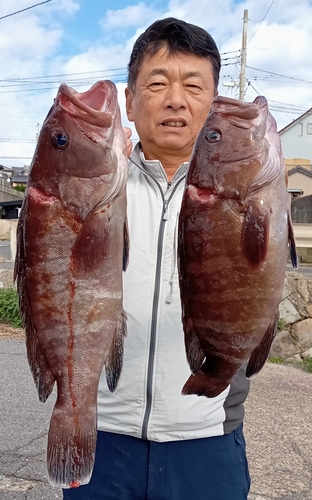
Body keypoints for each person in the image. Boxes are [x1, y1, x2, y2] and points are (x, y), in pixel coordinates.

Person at [63, 17, 251, 500]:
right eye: (157, 83)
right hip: (102, 435)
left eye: (193, 86)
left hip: (207, 443)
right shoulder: (91, 181)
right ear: (129, 100)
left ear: (213, 104)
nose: (175, 99)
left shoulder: (242, 192)